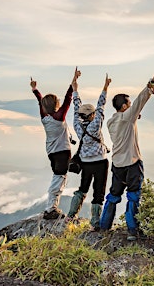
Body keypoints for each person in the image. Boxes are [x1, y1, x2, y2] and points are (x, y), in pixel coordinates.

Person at [100, 68, 154, 240]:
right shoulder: (128, 117)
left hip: (117, 164)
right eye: (128, 104)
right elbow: (140, 101)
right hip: (133, 162)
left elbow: (130, 115)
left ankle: (104, 226)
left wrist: (134, 116)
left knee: (113, 195)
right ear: (124, 107)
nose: (130, 105)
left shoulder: (111, 122)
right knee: (134, 196)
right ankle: (132, 231)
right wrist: (152, 82)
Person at [31, 67, 80, 220]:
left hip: (52, 153)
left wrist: (35, 90)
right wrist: (73, 82)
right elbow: (68, 99)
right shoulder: (59, 117)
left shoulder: (44, 118)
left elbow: (40, 101)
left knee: (59, 175)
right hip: (62, 153)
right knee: (59, 179)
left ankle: (52, 207)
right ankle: (50, 209)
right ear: (56, 105)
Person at [66, 73, 111, 231]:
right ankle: (95, 223)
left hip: (85, 162)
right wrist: (105, 87)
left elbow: (76, 106)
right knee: (98, 191)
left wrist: (75, 89)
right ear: (92, 115)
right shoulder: (95, 125)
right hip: (100, 162)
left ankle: (71, 215)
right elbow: (101, 106)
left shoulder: (77, 125)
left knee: (83, 188)